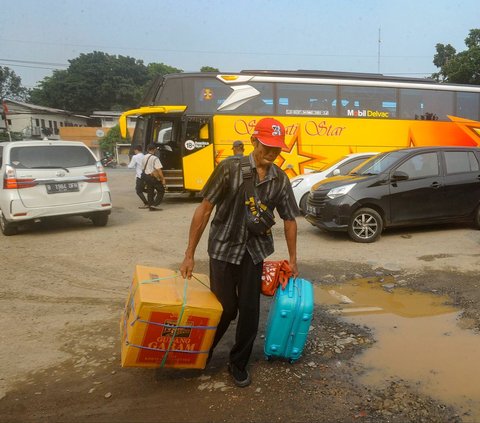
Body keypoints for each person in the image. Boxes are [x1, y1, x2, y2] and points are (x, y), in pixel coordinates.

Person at [180, 117, 299, 388]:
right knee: (224, 309)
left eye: (277, 148)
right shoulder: (228, 168)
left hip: (254, 252)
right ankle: (200, 353)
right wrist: (189, 254)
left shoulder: (280, 180)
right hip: (223, 248)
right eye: (267, 146)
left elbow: (290, 219)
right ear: (254, 141)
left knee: (249, 312)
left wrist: (293, 260)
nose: (272, 153)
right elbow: (205, 209)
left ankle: (238, 363)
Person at [142, 144, 166, 211]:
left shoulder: (144, 157)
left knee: (150, 191)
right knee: (161, 190)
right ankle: (155, 205)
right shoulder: (155, 158)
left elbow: (142, 168)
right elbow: (159, 170)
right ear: (154, 150)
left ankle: (150, 206)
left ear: (147, 150)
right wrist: (163, 179)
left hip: (146, 176)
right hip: (153, 177)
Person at [127, 145, 148, 209]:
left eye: (134, 151)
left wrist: (129, 166)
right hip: (146, 175)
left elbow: (130, 166)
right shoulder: (145, 156)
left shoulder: (135, 157)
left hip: (140, 175)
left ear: (136, 150)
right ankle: (151, 192)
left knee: (138, 191)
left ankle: (146, 203)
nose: (134, 152)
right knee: (142, 188)